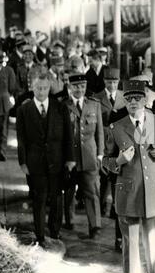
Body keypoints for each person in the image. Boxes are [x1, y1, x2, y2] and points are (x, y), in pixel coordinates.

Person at [103, 79, 155, 273]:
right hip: (128, 195)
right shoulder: (116, 127)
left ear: (145, 100)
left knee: (153, 242)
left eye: (137, 98)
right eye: (128, 99)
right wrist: (118, 160)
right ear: (125, 102)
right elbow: (106, 161)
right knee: (130, 244)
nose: (133, 102)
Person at [16, 71, 75, 247]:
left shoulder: (60, 108)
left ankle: (55, 231)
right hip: (35, 163)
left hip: (57, 161)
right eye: (38, 88)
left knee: (57, 198)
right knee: (39, 199)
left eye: (44, 88)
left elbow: (68, 136)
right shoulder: (24, 110)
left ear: (49, 88)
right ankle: (40, 235)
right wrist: (23, 162)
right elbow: (21, 139)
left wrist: (70, 159)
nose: (41, 92)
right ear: (32, 88)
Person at [62, 73, 103, 237]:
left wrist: (100, 154)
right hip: (70, 158)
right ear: (69, 87)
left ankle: (95, 225)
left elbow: (99, 131)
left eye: (82, 86)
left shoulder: (94, 104)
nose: (79, 89)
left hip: (90, 157)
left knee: (92, 192)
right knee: (69, 191)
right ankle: (69, 220)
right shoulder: (63, 106)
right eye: (76, 86)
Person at [94, 67, 123, 250]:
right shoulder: (97, 98)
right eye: (109, 82)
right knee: (103, 180)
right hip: (104, 145)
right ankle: (103, 207)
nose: (112, 85)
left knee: (115, 181)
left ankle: (112, 209)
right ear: (104, 82)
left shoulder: (123, 97)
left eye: (114, 82)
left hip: (119, 146)